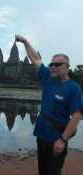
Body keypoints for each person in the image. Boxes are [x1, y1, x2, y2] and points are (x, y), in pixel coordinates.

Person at [15, 35, 83, 175]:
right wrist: (25, 42)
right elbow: (35, 59)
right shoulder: (48, 77)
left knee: (53, 171)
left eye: (57, 64)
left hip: (57, 137)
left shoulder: (73, 88)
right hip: (42, 134)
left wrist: (62, 140)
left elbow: (76, 117)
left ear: (67, 67)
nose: (53, 67)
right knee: (42, 170)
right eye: (51, 64)